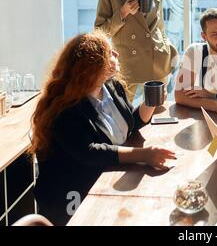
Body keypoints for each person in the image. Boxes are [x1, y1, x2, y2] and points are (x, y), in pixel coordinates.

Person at [29, 33, 176, 226]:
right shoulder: (63, 108)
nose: (116, 54)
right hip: (71, 194)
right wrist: (144, 154)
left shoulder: (111, 86)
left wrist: (150, 103)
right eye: (109, 53)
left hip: (106, 176)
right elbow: (90, 151)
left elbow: (128, 124)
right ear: (90, 68)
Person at [95, 0, 177, 103]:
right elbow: (99, 32)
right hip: (127, 64)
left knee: (157, 114)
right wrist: (122, 13)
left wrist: (167, 49)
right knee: (121, 114)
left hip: (157, 61)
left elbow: (160, 29)